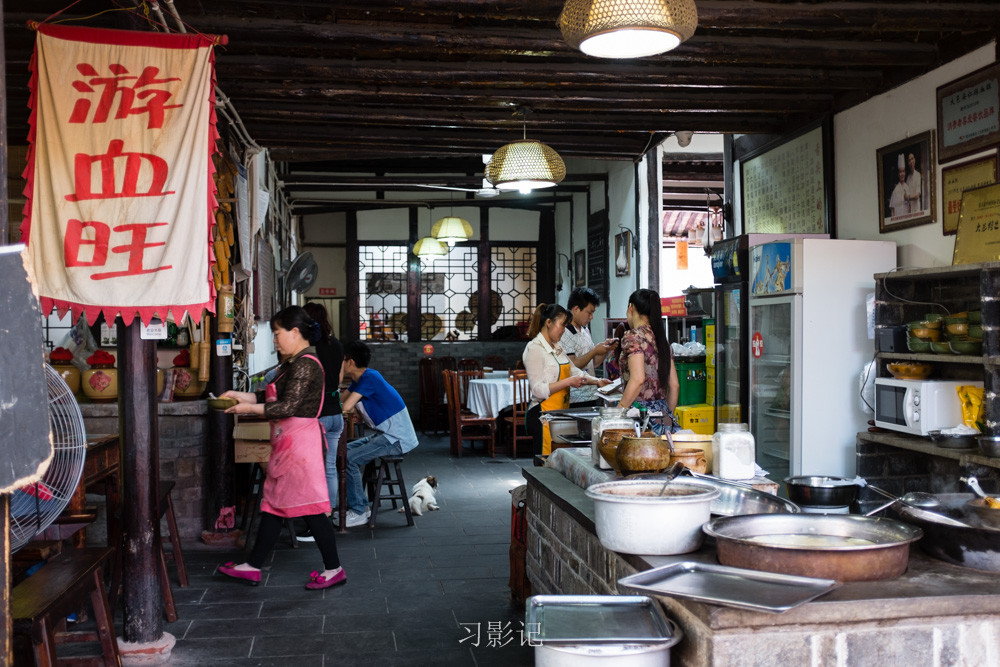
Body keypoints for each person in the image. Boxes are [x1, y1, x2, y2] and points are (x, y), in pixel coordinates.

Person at [217, 306, 345, 590]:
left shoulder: (306, 364)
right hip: (290, 443)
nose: (274, 340)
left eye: (277, 334)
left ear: (295, 332)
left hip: (300, 445)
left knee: (307, 508)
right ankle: (252, 566)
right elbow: (271, 394)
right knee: (275, 505)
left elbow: (287, 406)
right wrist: (241, 395)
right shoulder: (294, 362)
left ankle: (333, 568)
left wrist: (248, 407)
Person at [338, 340, 420, 527]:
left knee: (349, 459)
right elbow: (340, 401)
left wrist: (338, 376)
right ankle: (361, 506)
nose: (339, 364)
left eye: (341, 361)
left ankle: (358, 511)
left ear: (350, 362)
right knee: (342, 451)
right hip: (386, 436)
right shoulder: (361, 379)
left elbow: (347, 407)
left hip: (396, 440)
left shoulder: (369, 378)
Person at [522, 303, 609, 455]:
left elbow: (574, 371)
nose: (563, 330)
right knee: (546, 464)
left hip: (559, 415)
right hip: (543, 415)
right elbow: (537, 390)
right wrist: (568, 382)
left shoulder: (557, 347)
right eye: (562, 325)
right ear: (548, 322)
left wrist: (597, 381)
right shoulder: (534, 348)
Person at [296, 302, 344, 542]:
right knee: (330, 468)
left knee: (314, 471)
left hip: (320, 415)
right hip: (337, 413)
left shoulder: (309, 348)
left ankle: (318, 525)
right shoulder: (335, 344)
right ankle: (329, 516)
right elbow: (339, 376)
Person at [617, 289, 681, 435]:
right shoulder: (661, 339)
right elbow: (675, 386)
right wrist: (666, 417)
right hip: (663, 416)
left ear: (630, 308)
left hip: (639, 417)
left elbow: (638, 379)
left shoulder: (633, 337)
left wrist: (618, 412)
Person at [559, 287, 617, 407]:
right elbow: (573, 365)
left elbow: (593, 363)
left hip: (591, 394)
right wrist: (595, 350)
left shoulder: (585, 330)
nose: (591, 317)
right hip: (575, 398)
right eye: (589, 312)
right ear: (576, 309)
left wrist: (606, 350)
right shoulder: (564, 332)